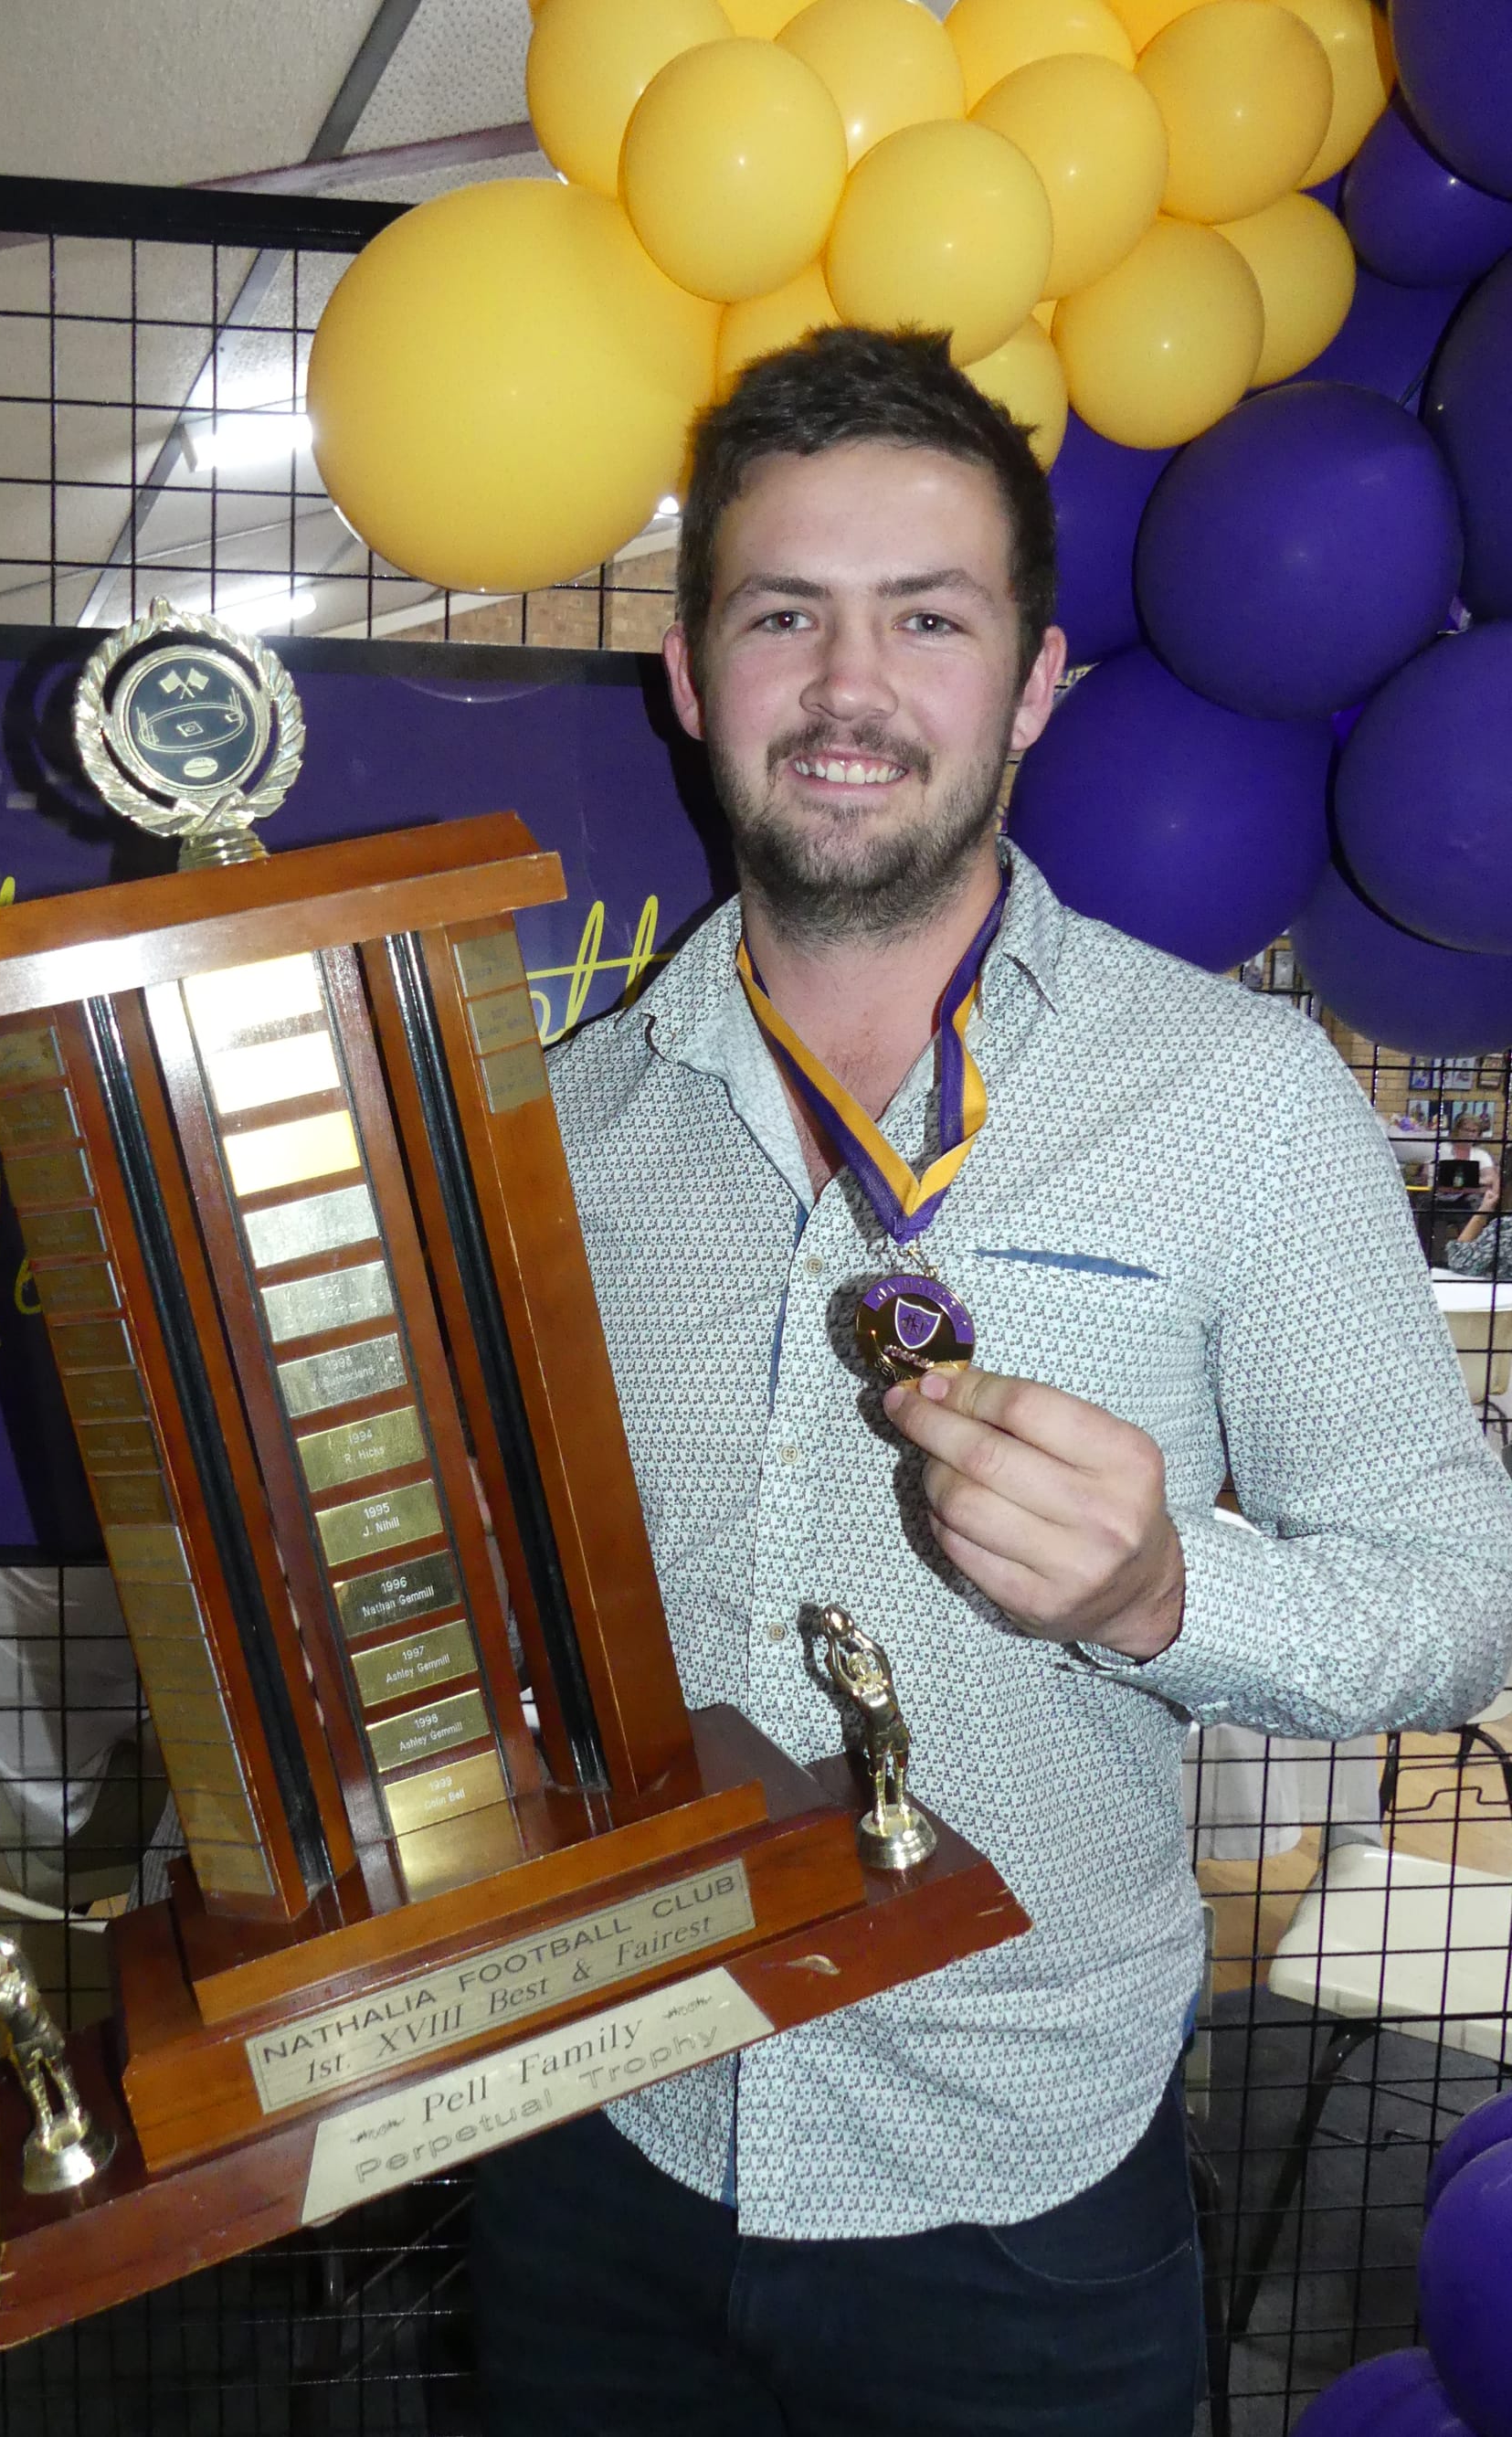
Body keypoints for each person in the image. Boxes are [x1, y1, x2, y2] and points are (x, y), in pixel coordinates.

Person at [470, 327, 1512, 2437]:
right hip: (598, 2136)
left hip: (1015, 2188)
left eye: (926, 619)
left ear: (1032, 683)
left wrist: (1162, 1592)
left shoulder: (1240, 1104)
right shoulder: (555, 1136)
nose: (850, 691)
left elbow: (1457, 1584)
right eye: (784, 615)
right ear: (691, 675)